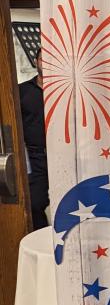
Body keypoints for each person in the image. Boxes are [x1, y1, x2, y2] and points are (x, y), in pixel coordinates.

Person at [18, 63, 48, 230]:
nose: (46, 63)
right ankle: (42, 238)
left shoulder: (64, 89)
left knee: (72, 200)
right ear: (36, 62)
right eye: (42, 59)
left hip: (64, 154)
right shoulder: (22, 91)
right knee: (35, 203)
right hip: (35, 157)